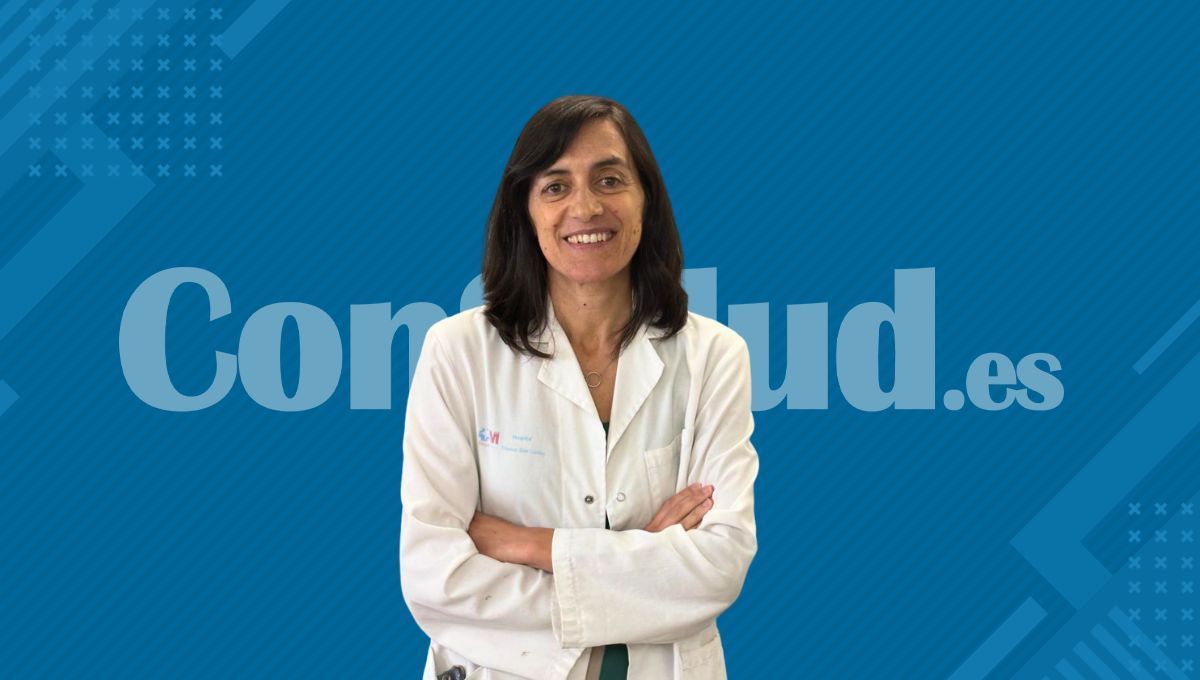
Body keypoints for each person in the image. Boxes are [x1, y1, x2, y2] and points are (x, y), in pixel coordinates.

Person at [399, 95, 759, 680]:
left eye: (610, 179)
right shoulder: (457, 352)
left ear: (646, 199)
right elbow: (434, 577)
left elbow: (719, 566)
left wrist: (530, 545)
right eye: (555, 186)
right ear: (525, 210)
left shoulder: (714, 356)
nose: (586, 207)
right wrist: (643, 563)